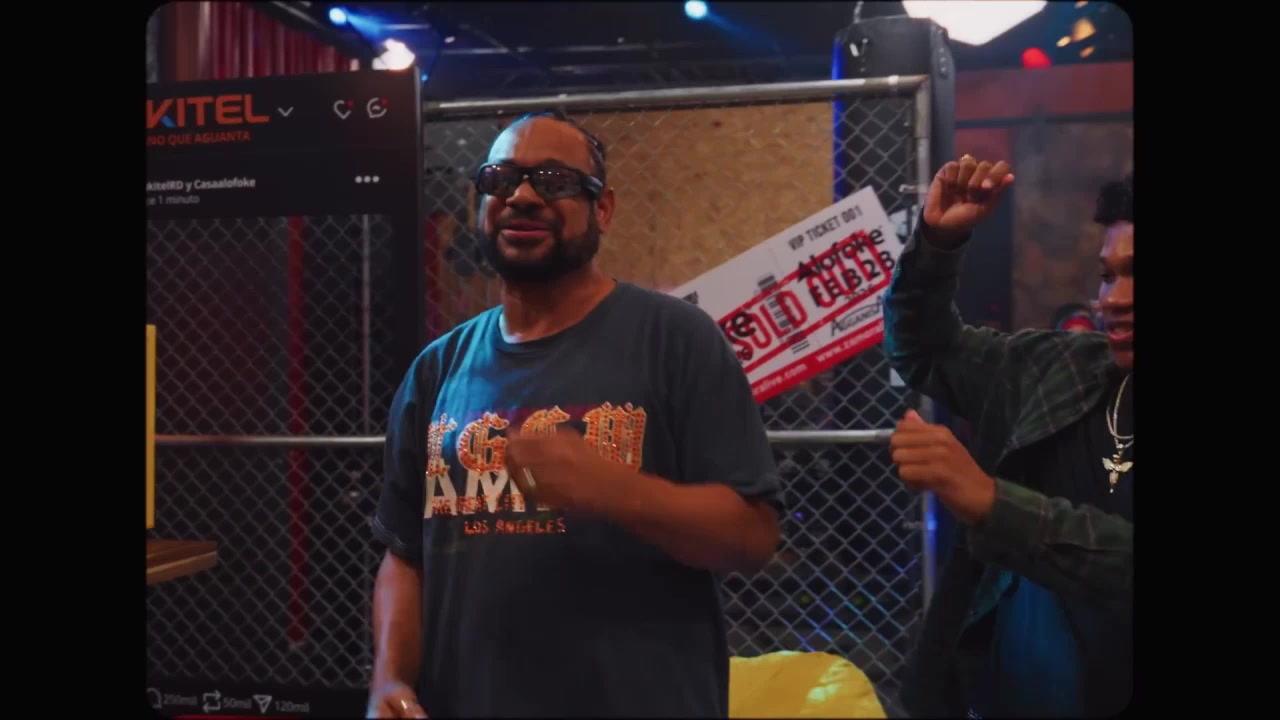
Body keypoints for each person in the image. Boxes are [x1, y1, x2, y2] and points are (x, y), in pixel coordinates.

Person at [367, 110, 783, 719]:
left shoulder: (676, 339)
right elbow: (405, 554)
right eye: (501, 179)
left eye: (554, 180)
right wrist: (388, 679)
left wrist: (615, 490)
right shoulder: (437, 368)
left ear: (602, 208)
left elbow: (753, 538)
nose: (522, 196)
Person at [882, 160, 1133, 717]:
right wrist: (937, 245)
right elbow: (924, 349)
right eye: (1107, 275)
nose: (1114, 298)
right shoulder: (1061, 368)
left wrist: (994, 504)